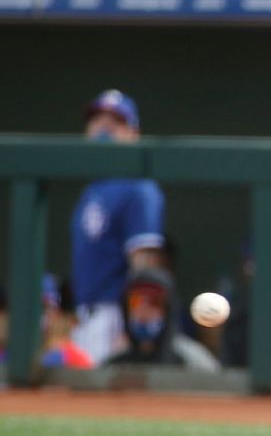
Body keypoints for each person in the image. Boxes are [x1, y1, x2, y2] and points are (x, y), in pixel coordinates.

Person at [70, 89, 166, 366]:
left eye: (115, 122)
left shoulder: (138, 188)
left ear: (133, 134)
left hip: (113, 316)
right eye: (97, 119)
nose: (103, 127)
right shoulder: (93, 189)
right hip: (86, 314)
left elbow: (144, 265)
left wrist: (132, 326)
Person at [108, 268, 220, 371]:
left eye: (153, 302)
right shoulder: (115, 364)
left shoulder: (192, 361)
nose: (143, 310)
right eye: (135, 302)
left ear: (168, 310)